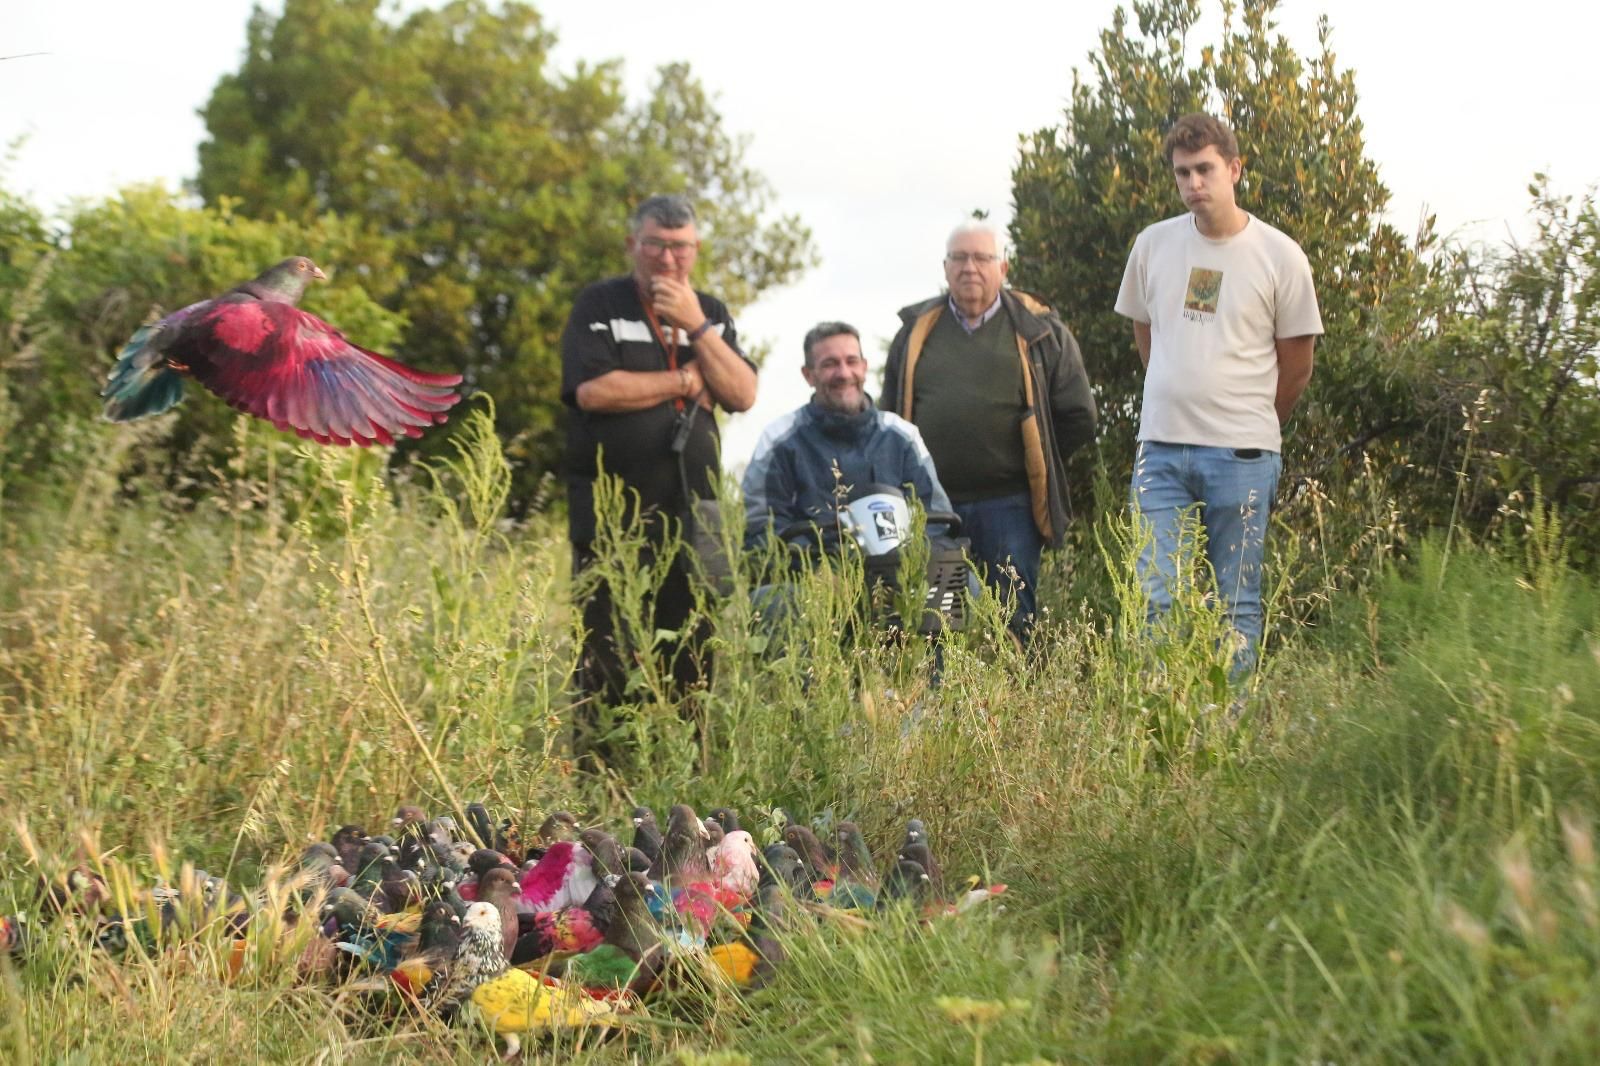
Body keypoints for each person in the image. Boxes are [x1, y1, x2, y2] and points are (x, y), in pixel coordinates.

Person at [1114, 113, 1322, 675]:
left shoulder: (1280, 255)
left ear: (1234, 169)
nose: (1193, 184)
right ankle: (1160, 724)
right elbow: (1143, 327)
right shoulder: (1153, 245)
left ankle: (1226, 730)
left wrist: (1256, 420)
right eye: (1182, 173)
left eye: (1204, 169)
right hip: (1160, 448)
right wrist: (1174, 387)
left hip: (1244, 454)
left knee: (1236, 601)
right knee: (1157, 596)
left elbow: (1297, 363)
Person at [560, 194, 757, 757]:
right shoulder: (599, 305)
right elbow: (595, 391)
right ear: (633, 246)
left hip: (698, 510)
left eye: (681, 248)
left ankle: (685, 775)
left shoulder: (712, 312)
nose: (668, 260)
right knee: (606, 650)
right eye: (656, 246)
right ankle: (604, 780)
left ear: (695, 251)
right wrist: (684, 383)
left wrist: (697, 327)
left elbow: (741, 392)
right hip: (611, 513)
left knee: (695, 649)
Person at [881, 220, 1096, 641]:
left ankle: (1022, 701)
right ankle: (949, 700)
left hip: (1011, 506)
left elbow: (1077, 416)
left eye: (982, 258)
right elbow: (888, 420)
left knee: (1013, 617)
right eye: (959, 258)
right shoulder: (915, 332)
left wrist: (1035, 462)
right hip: (938, 509)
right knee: (944, 620)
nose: (969, 268)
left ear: (1004, 267)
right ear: (945, 268)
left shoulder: (1042, 331)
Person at [742, 321, 952, 551]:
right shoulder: (778, 439)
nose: (843, 373)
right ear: (808, 375)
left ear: (864, 367)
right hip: (811, 578)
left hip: (903, 574)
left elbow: (936, 519)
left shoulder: (902, 435)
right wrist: (820, 568)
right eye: (830, 364)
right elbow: (762, 528)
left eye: (851, 361)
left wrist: (908, 563)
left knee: (966, 581)